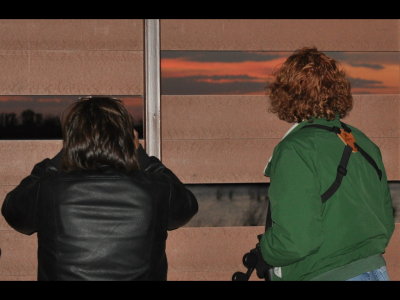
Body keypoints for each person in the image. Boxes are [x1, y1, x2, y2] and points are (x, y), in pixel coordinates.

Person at [1, 96, 198, 281]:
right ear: (127, 138)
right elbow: (186, 209)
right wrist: (141, 154)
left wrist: (59, 158)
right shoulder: (156, 187)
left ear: (72, 139)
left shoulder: (48, 188)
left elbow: (15, 215)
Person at [259, 47, 395, 281]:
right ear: (339, 89)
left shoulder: (295, 149)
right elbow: (385, 221)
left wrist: (265, 252)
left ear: (285, 93)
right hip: (376, 271)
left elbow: (296, 240)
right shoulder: (362, 142)